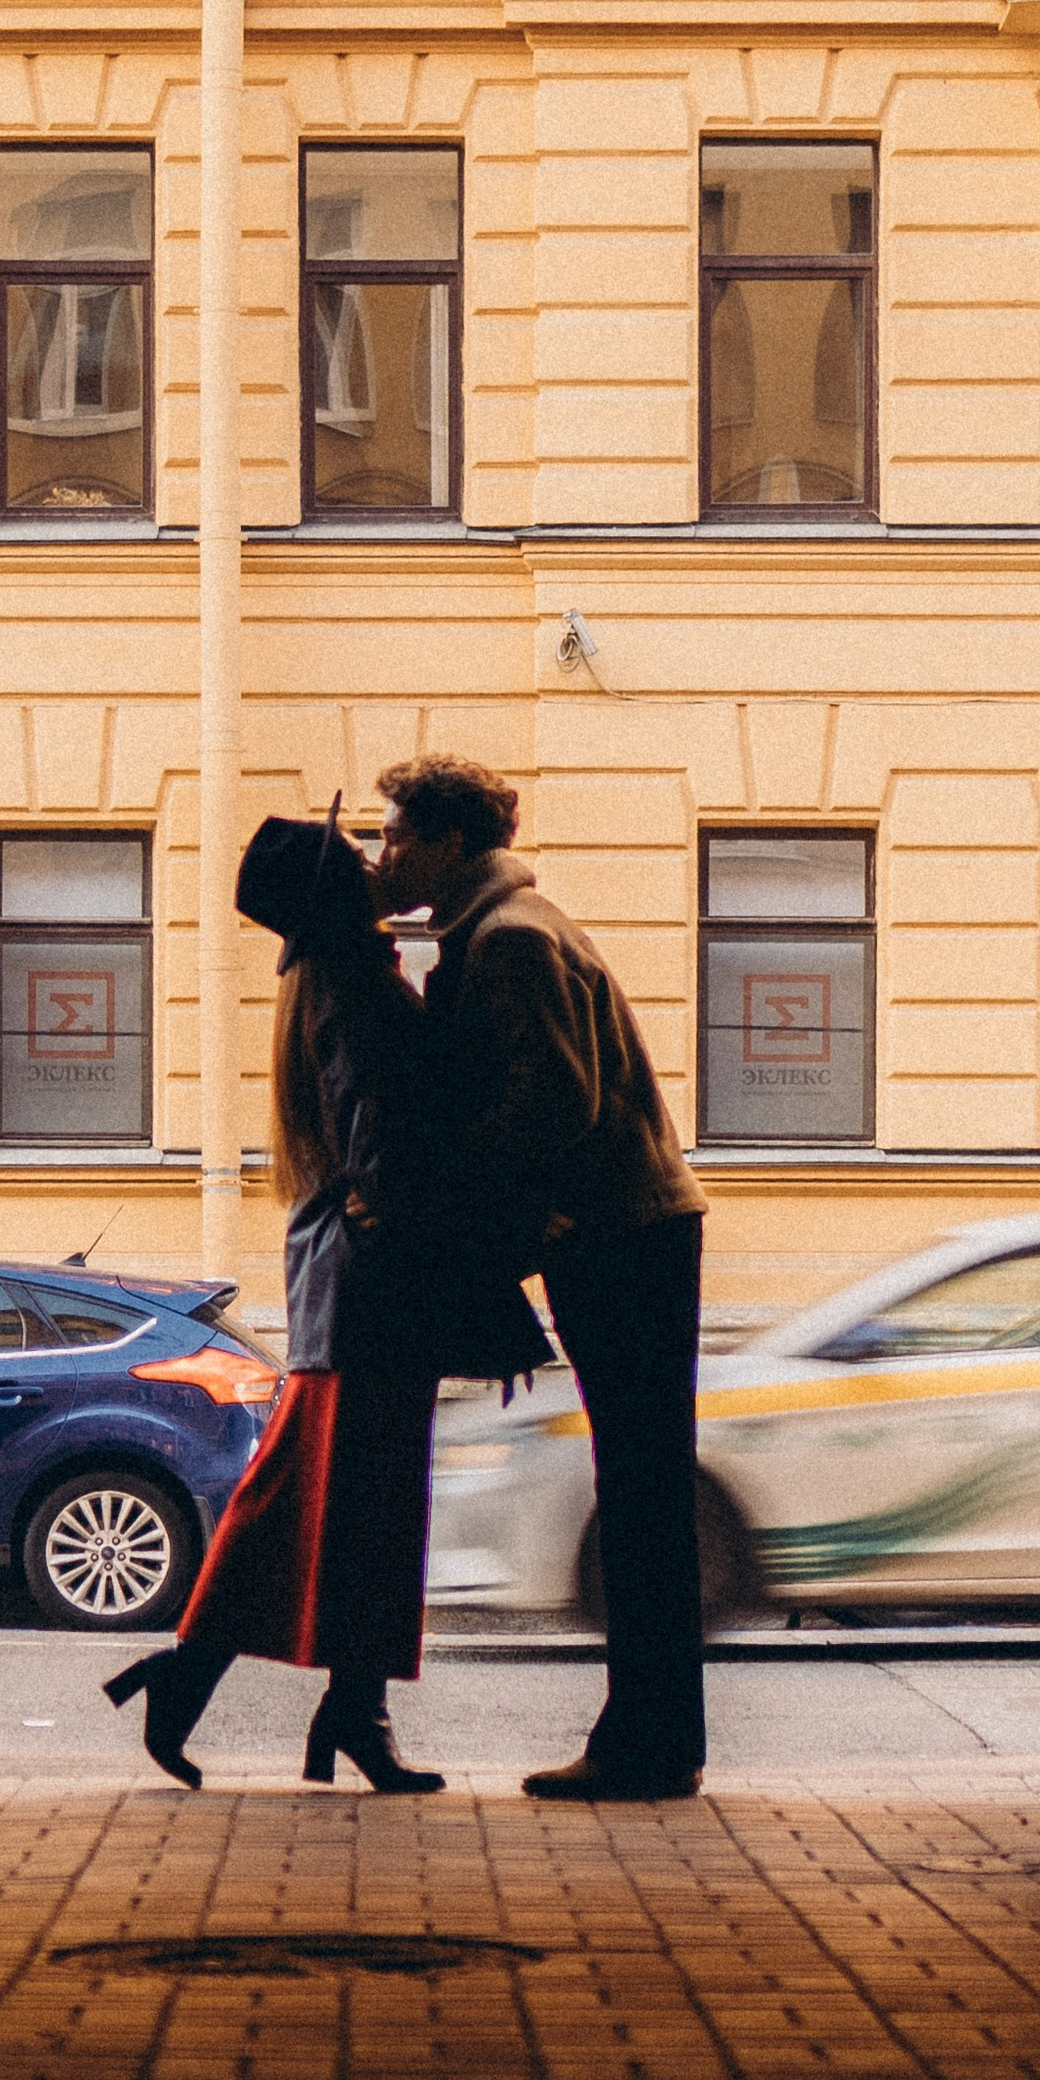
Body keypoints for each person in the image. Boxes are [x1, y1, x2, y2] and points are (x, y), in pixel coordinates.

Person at [104, 806, 547, 1791]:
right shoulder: (356, 987)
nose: (370, 860)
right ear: (333, 891)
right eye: (353, 856)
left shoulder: (337, 978)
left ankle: (318, 1704)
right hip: (373, 1292)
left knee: (329, 1513)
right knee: (353, 1514)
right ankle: (303, 1703)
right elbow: (387, 1158)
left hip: (349, 1287)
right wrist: (483, 1290)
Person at [370, 754, 709, 1802]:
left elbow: (550, 1103)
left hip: (618, 1233)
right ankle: (654, 1737)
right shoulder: (512, 927)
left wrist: (501, 1228)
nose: (382, 857)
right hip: (632, 1228)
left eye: (393, 837)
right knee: (645, 1487)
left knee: (643, 1491)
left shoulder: (510, 941)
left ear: (447, 844)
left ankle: (646, 1745)